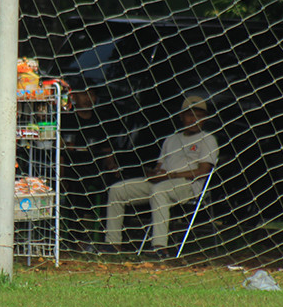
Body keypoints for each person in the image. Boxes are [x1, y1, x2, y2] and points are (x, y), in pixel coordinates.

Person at [103, 95, 219, 256]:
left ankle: (159, 246)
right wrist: (153, 174)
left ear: (205, 118)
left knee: (160, 191)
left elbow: (203, 171)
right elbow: (159, 167)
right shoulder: (171, 139)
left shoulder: (208, 139)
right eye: (190, 115)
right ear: (181, 116)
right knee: (118, 189)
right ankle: (113, 244)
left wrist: (171, 175)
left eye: (199, 116)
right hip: (163, 181)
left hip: (187, 184)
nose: (194, 120)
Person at [60, 81, 119, 250]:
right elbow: (61, 152)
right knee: (76, 187)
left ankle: (108, 238)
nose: (88, 98)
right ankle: (76, 237)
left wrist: (113, 167)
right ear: (74, 97)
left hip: (95, 168)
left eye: (92, 94)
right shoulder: (67, 119)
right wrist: (61, 175)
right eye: (84, 94)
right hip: (72, 168)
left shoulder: (100, 120)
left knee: (115, 187)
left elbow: (107, 150)